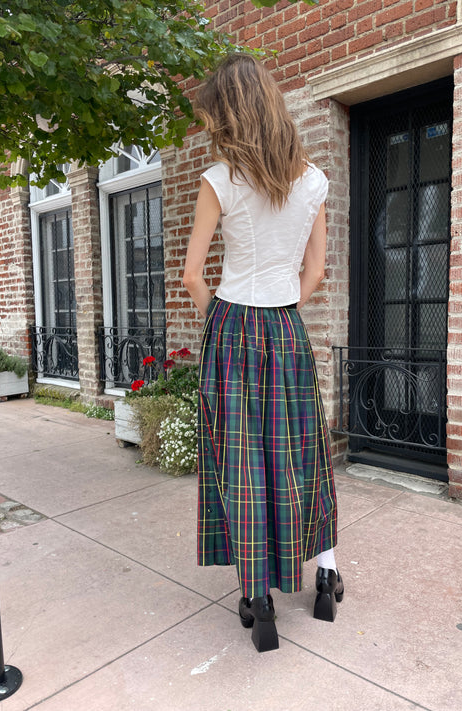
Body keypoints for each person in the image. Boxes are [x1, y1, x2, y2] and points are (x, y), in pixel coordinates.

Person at [183, 54, 343, 653]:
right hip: (286, 326)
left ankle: (259, 599)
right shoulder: (314, 180)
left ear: (227, 111)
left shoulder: (220, 179)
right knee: (304, 452)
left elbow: (193, 275)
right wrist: (281, 312)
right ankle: (325, 577)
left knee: (242, 459)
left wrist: (224, 323)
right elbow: (317, 271)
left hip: (231, 326)